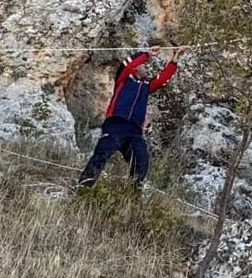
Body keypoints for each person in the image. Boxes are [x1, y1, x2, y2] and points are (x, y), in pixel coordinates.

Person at [78, 45, 185, 189]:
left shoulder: (147, 87)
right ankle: (83, 187)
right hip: (116, 124)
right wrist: (146, 54)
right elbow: (127, 64)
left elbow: (162, 79)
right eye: (142, 66)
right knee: (101, 155)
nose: (145, 68)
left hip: (134, 131)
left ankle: (132, 195)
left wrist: (174, 60)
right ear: (135, 69)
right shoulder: (123, 80)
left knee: (141, 161)